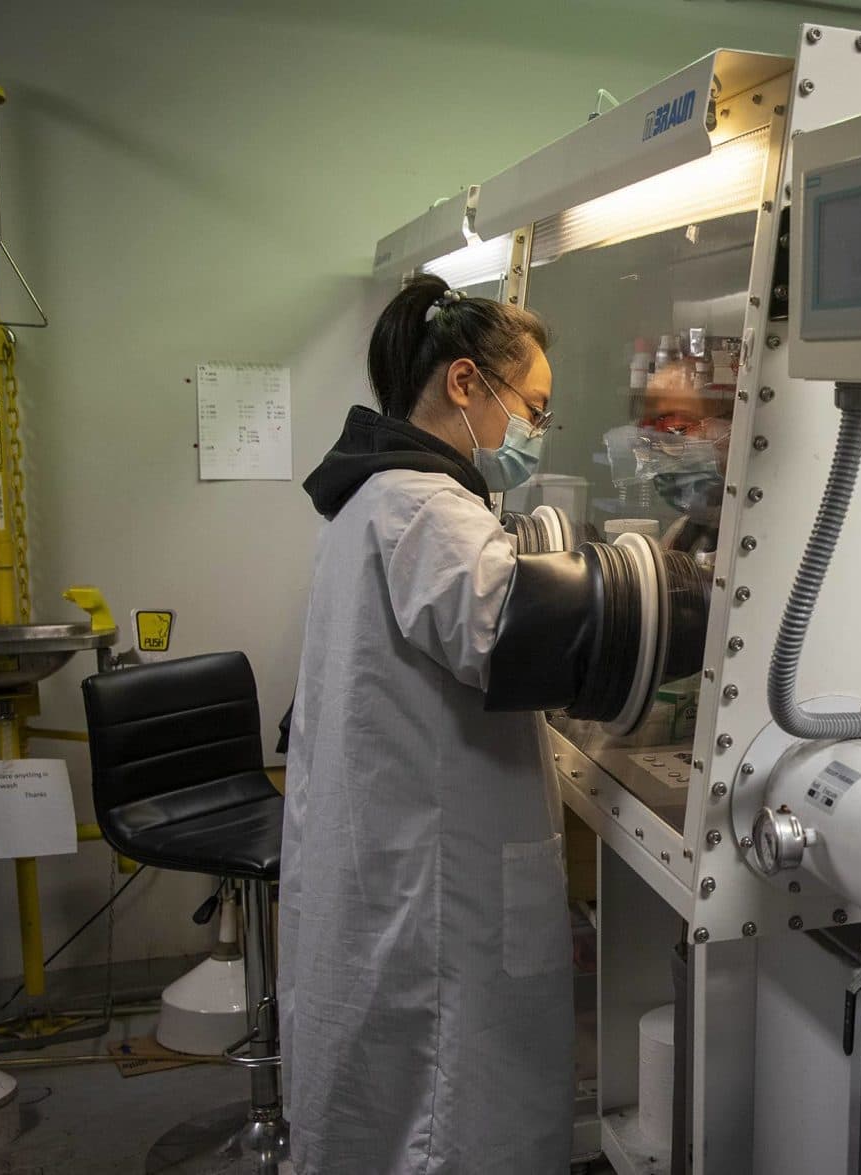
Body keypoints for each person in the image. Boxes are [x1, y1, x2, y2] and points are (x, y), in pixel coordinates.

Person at [280, 275, 574, 1173]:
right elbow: (504, 637)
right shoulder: (425, 508)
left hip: (395, 836)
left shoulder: (379, 495)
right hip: (429, 867)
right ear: (463, 384)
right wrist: (660, 593)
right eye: (532, 405)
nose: (532, 429)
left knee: (399, 1087)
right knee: (445, 1097)